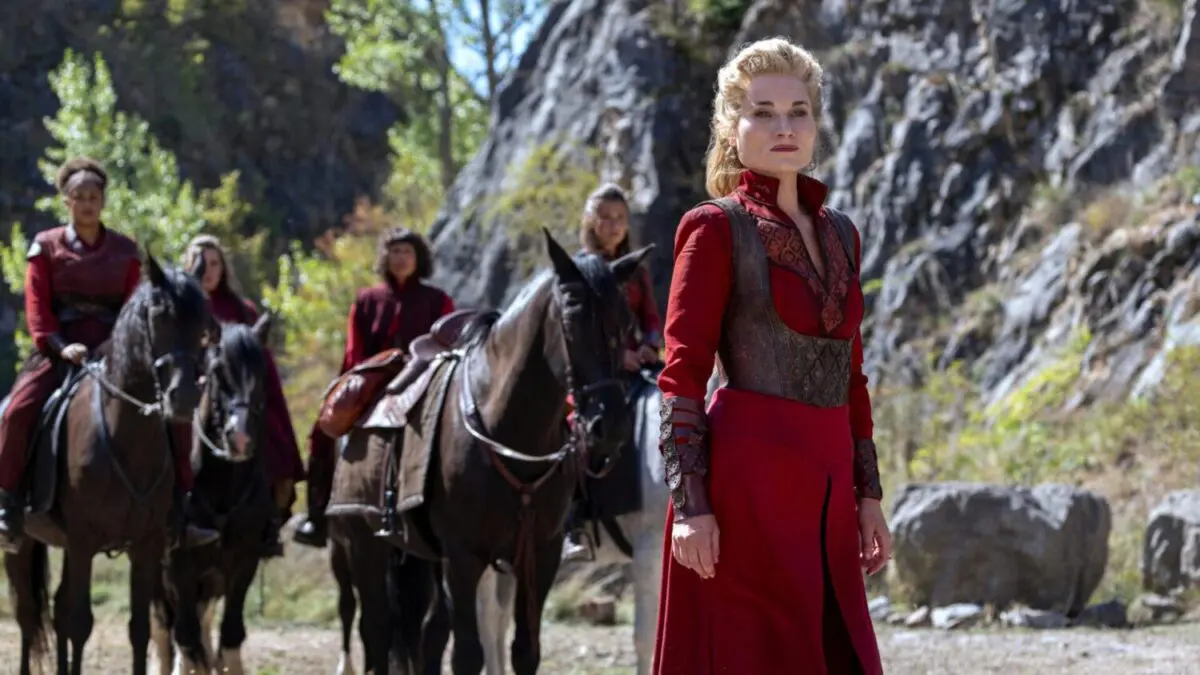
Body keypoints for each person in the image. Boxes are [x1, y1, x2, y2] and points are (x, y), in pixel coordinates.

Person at [652, 38, 891, 674]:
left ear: (815, 122)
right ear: (732, 127)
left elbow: (853, 375)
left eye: (798, 111)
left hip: (830, 484)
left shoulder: (841, 232)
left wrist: (869, 495)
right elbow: (680, 376)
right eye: (763, 112)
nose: (783, 128)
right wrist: (693, 507)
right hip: (743, 492)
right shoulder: (713, 226)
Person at [0, 157, 219, 553]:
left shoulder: (126, 251)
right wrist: (60, 344)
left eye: (94, 197)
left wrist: (111, 344)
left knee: (177, 416)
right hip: (56, 351)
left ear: (103, 201)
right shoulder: (44, 247)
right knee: (16, 410)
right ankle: (9, 503)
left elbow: (134, 307)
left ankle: (180, 511)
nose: (87, 204)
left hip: (117, 353)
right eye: (79, 197)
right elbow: (37, 310)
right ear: (66, 201)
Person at [292, 227, 456, 548]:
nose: (400, 258)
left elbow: (448, 346)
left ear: (418, 258)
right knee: (322, 432)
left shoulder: (438, 300)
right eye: (394, 252)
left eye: (406, 252)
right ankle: (318, 516)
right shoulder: (367, 300)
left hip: (424, 383)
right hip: (374, 382)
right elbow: (355, 352)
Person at [182, 235, 306, 558]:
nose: (207, 270)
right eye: (199, 262)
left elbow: (261, 368)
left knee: (274, 446)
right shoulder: (181, 307)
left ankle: (269, 522)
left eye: (213, 263)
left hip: (238, 399)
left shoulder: (242, 310)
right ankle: (169, 520)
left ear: (223, 268)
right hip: (188, 395)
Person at [562, 182, 662, 561]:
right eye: (604, 217)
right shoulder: (577, 269)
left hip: (640, 365)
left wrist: (649, 345)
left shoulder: (635, 270)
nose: (612, 224)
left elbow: (651, 317)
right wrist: (619, 356)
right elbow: (579, 331)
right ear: (590, 220)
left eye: (619, 218)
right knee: (574, 428)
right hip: (594, 374)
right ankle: (574, 520)